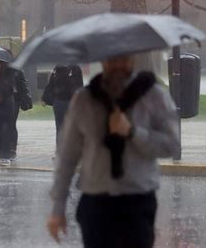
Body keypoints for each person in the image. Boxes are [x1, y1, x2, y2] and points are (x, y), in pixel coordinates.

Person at [47, 55, 179, 248]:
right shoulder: (85, 100)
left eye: (123, 59)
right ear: (102, 60)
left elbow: (172, 145)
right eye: (112, 59)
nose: (118, 65)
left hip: (137, 202)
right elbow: (67, 157)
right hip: (96, 204)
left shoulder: (153, 96)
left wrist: (132, 132)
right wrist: (57, 209)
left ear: (133, 59)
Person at [42, 65, 83, 145]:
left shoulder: (74, 68)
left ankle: (67, 149)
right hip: (60, 101)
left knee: (67, 126)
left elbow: (79, 85)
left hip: (68, 101)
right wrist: (45, 97)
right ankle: (61, 149)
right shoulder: (59, 68)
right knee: (61, 126)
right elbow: (51, 84)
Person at [10, 68, 33, 159]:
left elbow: (23, 86)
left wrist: (25, 100)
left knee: (11, 124)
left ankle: (12, 149)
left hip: (14, 101)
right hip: (2, 101)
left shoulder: (17, 71)